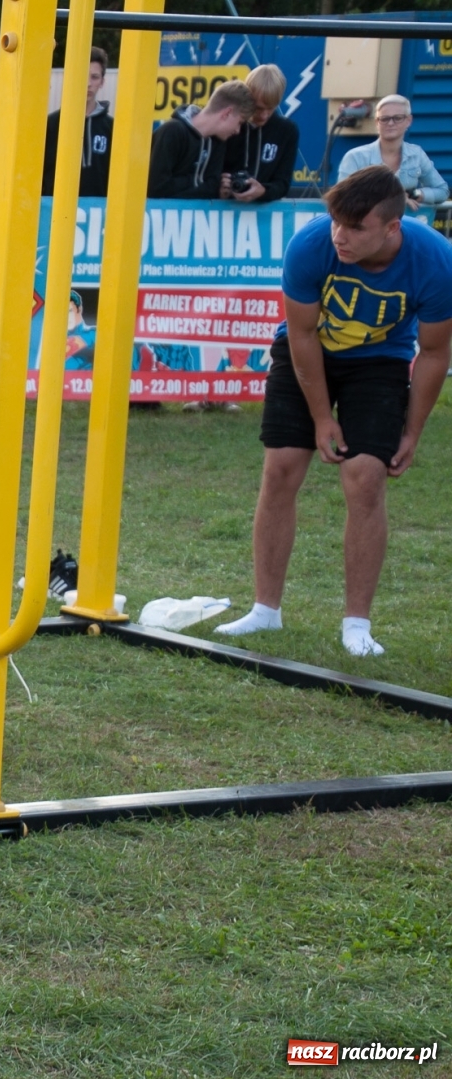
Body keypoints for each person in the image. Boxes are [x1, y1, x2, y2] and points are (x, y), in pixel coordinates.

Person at [214, 167, 452, 657]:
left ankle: (356, 625)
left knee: (366, 477)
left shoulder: (436, 261)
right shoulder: (311, 244)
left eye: (355, 227)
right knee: (281, 468)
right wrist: (322, 418)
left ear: (392, 227)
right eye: (335, 221)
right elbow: (301, 335)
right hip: (308, 355)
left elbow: (432, 353)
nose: (339, 236)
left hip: (380, 363)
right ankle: (265, 612)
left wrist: (412, 430)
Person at [147, 80, 255, 200]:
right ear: (227, 113)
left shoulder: (218, 143)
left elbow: (213, 187)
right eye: (239, 122)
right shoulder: (172, 132)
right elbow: (156, 188)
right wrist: (198, 181)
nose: (237, 130)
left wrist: (180, 181)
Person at [337, 96, 449, 210]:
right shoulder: (355, 157)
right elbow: (342, 197)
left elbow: (442, 190)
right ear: (377, 122)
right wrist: (395, 199)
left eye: (398, 118)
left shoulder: (417, 155)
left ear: (408, 121)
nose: (390, 123)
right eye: (384, 119)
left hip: (403, 226)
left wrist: (414, 194)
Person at [219, 65, 299, 203]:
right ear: (248, 98)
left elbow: (283, 183)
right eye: (258, 108)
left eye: (271, 108)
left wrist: (263, 191)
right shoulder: (227, 125)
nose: (264, 115)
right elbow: (209, 173)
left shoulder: (287, 131)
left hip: (263, 216)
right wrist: (219, 186)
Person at [41, 47, 113, 198]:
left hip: (97, 211)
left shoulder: (112, 127)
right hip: (56, 210)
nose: (88, 83)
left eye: (94, 77)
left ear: (102, 82)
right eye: (83, 76)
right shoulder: (51, 124)